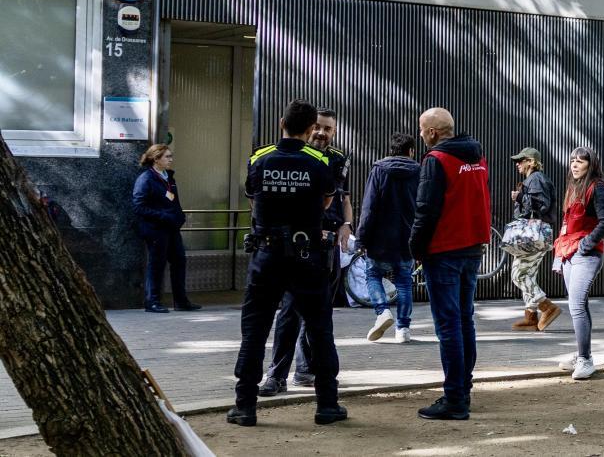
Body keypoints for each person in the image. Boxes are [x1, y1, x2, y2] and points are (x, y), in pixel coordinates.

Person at [228, 100, 346, 427]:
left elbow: (253, 199)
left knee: (254, 331)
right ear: (311, 129)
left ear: (281, 122)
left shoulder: (259, 158)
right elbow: (326, 201)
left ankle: (244, 405)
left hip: (265, 256)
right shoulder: (320, 161)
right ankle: (327, 405)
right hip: (306, 256)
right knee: (320, 330)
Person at [408, 107, 491, 420]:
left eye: (421, 128)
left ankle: (455, 398)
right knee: (464, 320)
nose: (420, 134)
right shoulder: (477, 157)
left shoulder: (436, 160)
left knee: (448, 325)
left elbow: (425, 210)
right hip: (472, 248)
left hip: (444, 250)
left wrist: (415, 248)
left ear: (431, 132)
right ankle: (462, 389)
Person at [552, 147, 604, 380]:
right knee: (577, 305)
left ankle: (586, 360)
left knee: (576, 305)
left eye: (580, 162)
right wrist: (560, 255)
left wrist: (586, 245)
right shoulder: (574, 186)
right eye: (572, 161)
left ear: (591, 164)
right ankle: (582, 355)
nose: (574, 165)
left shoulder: (597, 186)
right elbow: (567, 223)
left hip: (585, 254)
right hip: (568, 252)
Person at [357, 132, 420, 343]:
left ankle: (382, 311)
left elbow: (369, 206)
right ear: (410, 151)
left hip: (379, 239)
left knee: (373, 275)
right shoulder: (419, 171)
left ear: (391, 149)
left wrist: (362, 238)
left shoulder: (379, 170)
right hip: (407, 239)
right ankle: (403, 330)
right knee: (404, 282)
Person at [131, 144, 201, 313]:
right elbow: (139, 206)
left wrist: (179, 215)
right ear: (156, 159)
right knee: (157, 263)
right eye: (167, 157)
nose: (171, 159)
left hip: (171, 227)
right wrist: (164, 216)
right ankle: (152, 301)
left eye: (171, 156)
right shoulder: (146, 179)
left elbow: (173, 201)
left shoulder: (168, 177)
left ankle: (181, 301)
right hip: (155, 229)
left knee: (179, 261)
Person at [508, 146, 562, 332]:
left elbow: (541, 206)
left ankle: (547, 307)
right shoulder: (534, 179)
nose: (518, 164)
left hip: (534, 233)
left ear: (531, 162)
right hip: (537, 233)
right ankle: (531, 317)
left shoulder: (536, 179)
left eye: (521, 160)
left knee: (519, 274)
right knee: (529, 274)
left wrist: (520, 196)